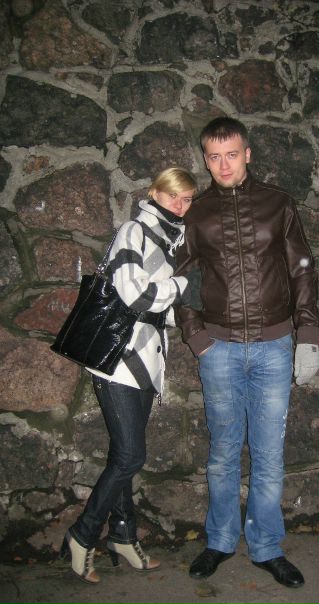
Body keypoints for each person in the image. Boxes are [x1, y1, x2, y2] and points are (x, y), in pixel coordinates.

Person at [174, 117, 319, 589]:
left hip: (274, 347)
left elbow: (301, 268)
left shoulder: (279, 203)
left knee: (269, 455)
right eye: (214, 157)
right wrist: (195, 335)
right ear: (206, 159)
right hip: (217, 349)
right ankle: (220, 540)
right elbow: (181, 277)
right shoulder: (196, 213)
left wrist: (308, 332)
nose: (224, 165)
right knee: (222, 453)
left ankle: (266, 547)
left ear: (248, 154)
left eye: (232, 155)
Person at [60, 166, 197, 584]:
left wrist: (176, 302)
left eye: (187, 199)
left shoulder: (170, 241)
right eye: (173, 196)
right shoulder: (133, 232)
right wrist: (182, 286)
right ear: (154, 193)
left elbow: (159, 310)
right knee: (132, 457)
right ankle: (82, 535)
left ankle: (122, 535)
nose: (180, 205)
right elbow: (135, 295)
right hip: (117, 361)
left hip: (145, 363)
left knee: (122, 454)